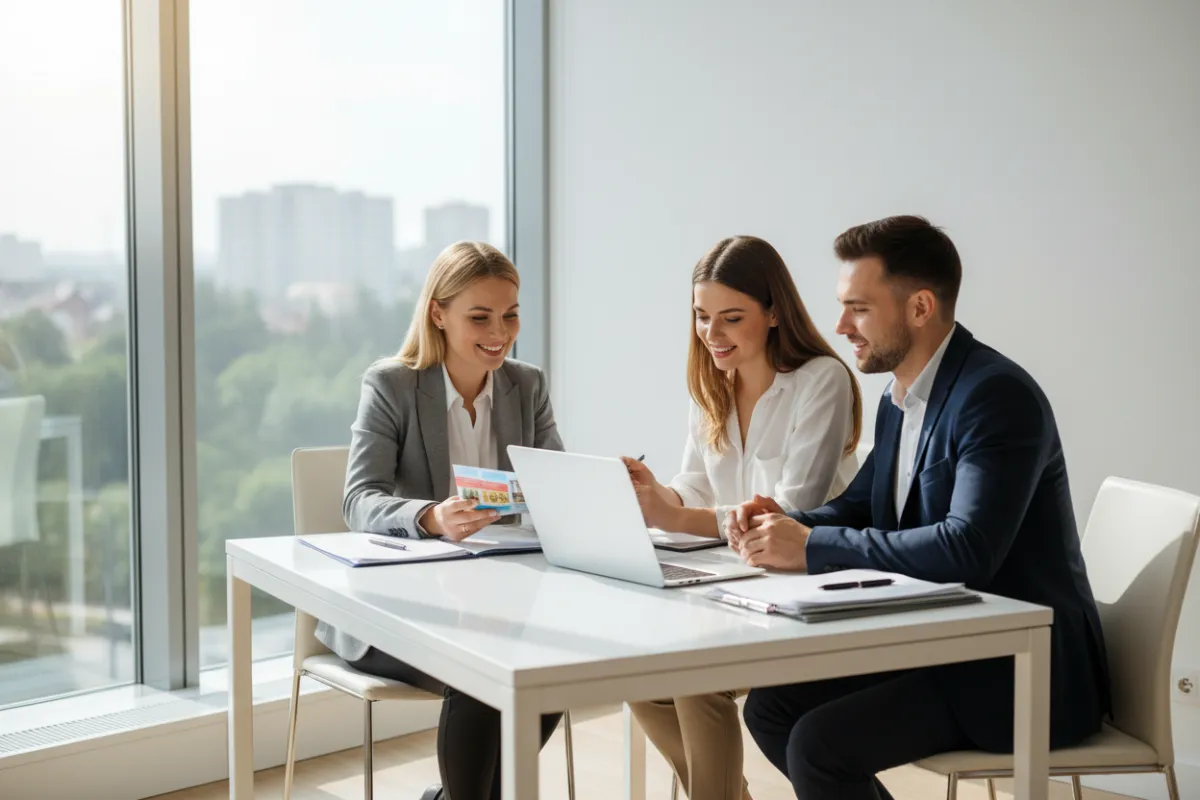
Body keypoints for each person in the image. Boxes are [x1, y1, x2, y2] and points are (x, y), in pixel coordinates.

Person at [728, 216, 1110, 800]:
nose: (839, 326)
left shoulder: (995, 397)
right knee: (771, 708)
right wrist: (783, 521)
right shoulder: (900, 396)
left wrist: (809, 548)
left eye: (858, 308)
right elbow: (861, 506)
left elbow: (968, 548)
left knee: (819, 743)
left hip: (1016, 669)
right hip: (941, 643)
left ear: (920, 307)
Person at [317, 241, 564, 800]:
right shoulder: (393, 385)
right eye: (479, 316)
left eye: (510, 314)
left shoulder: (528, 386)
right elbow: (359, 499)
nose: (499, 330)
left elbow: (554, 489)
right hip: (399, 607)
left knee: (550, 669)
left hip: (499, 598)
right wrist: (430, 516)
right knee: (484, 673)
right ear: (439, 314)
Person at [622, 235, 863, 800]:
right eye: (702, 317)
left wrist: (675, 518)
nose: (712, 334)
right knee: (638, 675)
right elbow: (695, 484)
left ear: (774, 312)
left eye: (731, 318)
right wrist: (655, 495)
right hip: (735, 589)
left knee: (694, 678)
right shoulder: (711, 386)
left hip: (808, 591)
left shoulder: (820, 381)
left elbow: (788, 510)